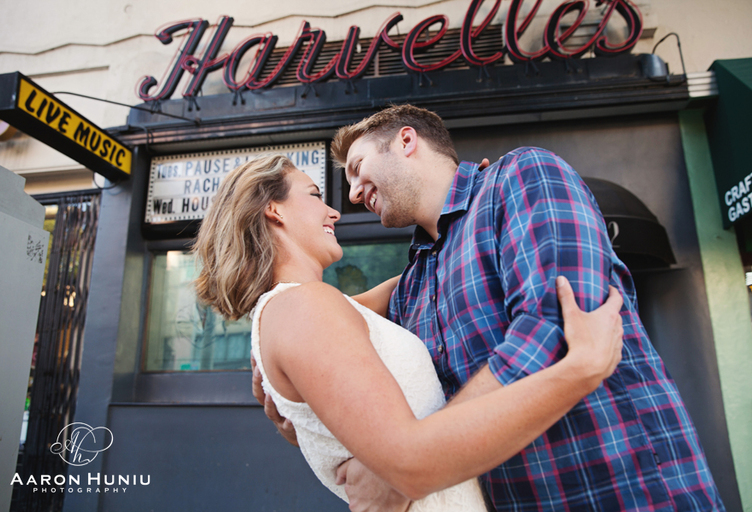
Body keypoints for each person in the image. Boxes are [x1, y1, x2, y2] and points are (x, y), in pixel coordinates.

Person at [259, 104, 726, 511]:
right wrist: (273, 362)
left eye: (359, 168)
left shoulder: (521, 176)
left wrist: (403, 467)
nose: (356, 193)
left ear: (406, 141)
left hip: (621, 487)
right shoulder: (416, 281)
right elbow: (323, 321)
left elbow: (558, 328)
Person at [193, 154, 626, 511]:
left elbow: (412, 280)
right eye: (314, 195)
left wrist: (470, 207)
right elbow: (410, 464)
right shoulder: (301, 307)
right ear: (274, 209)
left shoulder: (308, 310)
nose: (334, 210)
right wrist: (580, 371)